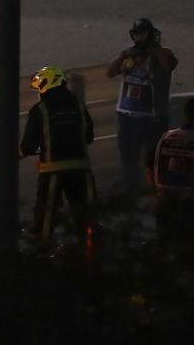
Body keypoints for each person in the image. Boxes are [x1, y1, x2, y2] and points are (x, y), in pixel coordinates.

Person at [20, 66, 96, 248]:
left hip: (53, 169)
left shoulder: (40, 109)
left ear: (47, 84)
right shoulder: (78, 104)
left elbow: (29, 145)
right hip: (81, 168)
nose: (38, 92)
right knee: (85, 209)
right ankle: (90, 245)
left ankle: (42, 242)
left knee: (47, 209)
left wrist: (20, 153)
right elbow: (89, 136)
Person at [107, 18, 178, 193]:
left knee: (154, 157)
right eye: (136, 34)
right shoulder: (128, 54)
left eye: (143, 34)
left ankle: (156, 190)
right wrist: (125, 55)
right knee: (129, 157)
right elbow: (110, 73)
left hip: (154, 117)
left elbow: (168, 66)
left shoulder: (164, 52)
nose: (139, 38)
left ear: (151, 34)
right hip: (128, 115)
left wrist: (153, 49)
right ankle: (132, 190)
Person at [146, 98, 194, 254]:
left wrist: (157, 193)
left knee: (165, 252)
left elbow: (149, 167)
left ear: (185, 116)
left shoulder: (167, 137)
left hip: (165, 204)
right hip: (189, 208)